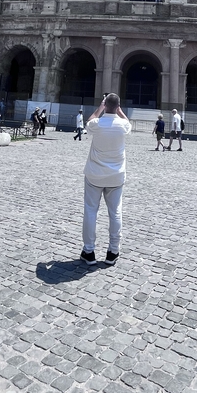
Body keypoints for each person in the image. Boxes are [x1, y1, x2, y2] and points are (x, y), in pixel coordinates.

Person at [80, 93, 131, 266]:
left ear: (105, 105)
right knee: (115, 212)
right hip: (116, 176)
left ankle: (88, 251)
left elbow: (89, 121)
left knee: (90, 211)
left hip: (94, 174)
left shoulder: (97, 124)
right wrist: (119, 111)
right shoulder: (122, 125)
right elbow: (128, 122)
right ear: (118, 107)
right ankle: (113, 251)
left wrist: (100, 108)